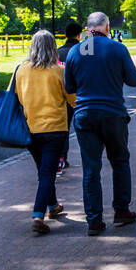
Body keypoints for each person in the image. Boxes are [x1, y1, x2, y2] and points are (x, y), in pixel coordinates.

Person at [64, 11, 136, 235]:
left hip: (85, 114)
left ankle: (94, 220)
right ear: (107, 28)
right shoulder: (117, 48)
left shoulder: (75, 51)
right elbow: (134, 80)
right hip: (112, 113)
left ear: (87, 29)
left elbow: (69, 86)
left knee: (91, 168)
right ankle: (121, 210)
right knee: (120, 161)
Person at [15, 30, 75, 234]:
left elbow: (16, 95)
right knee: (48, 172)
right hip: (55, 128)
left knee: (43, 170)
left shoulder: (21, 69)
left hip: (30, 128)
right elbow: (72, 99)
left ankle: (53, 205)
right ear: (53, 47)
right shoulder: (59, 71)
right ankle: (38, 215)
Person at [57, 21, 83, 174]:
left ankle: (62, 157)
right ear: (79, 35)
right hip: (80, 95)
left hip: (61, 95)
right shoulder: (82, 51)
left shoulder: (58, 52)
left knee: (64, 127)